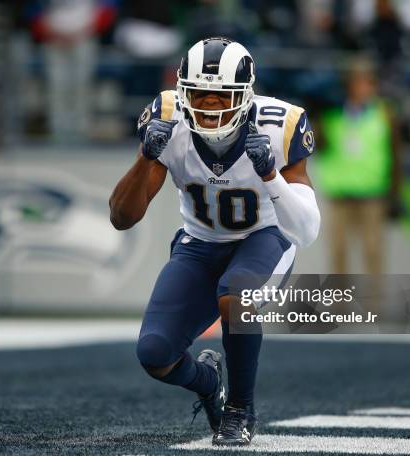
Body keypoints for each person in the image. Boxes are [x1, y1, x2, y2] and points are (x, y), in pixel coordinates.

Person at [109, 37, 320, 446]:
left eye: (220, 95)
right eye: (199, 94)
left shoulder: (281, 124)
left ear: (245, 94)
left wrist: (270, 175)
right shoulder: (168, 118)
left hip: (266, 236)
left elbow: (306, 231)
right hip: (200, 242)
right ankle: (209, 384)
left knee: (236, 292)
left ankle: (240, 411)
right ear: (182, 89)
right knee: (155, 355)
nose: (208, 105)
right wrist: (146, 157)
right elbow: (122, 218)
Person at [315, 58, 402, 274]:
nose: (362, 88)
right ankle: (340, 307)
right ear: (348, 85)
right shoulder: (331, 113)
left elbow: (396, 154)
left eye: (367, 82)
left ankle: (374, 306)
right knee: (338, 253)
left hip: (372, 194)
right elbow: (318, 145)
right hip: (339, 193)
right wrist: (317, 116)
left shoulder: (385, 114)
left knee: (373, 253)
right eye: (357, 82)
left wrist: (395, 193)